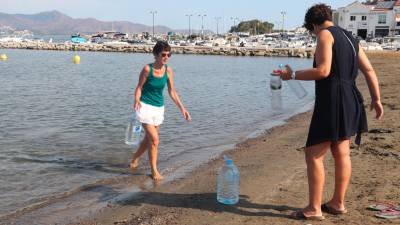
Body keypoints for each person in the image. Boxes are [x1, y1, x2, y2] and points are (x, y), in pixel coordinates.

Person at [274, 4, 384, 220]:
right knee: (341, 152)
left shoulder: (324, 34)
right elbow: (369, 69)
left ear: (313, 24)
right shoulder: (351, 38)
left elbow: (323, 71)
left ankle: (314, 209)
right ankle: (337, 203)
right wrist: (376, 99)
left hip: (333, 100)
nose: (313, 34)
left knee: (313, 154)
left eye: (311, 30)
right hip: (351, 98)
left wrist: (292, 75)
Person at [130, 41, 191, 181]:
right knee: (155, 140)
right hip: (144, 106)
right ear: (156, 54)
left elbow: (172, 91)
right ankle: (154, 171)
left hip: (158, 108)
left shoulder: (168, 70)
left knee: (149, 139)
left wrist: (183, 109)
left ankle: (134, 158)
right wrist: (136, 99)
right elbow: (139, 87)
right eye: (163, 54)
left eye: (169, 54)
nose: (166, 57)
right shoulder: (147, 69)